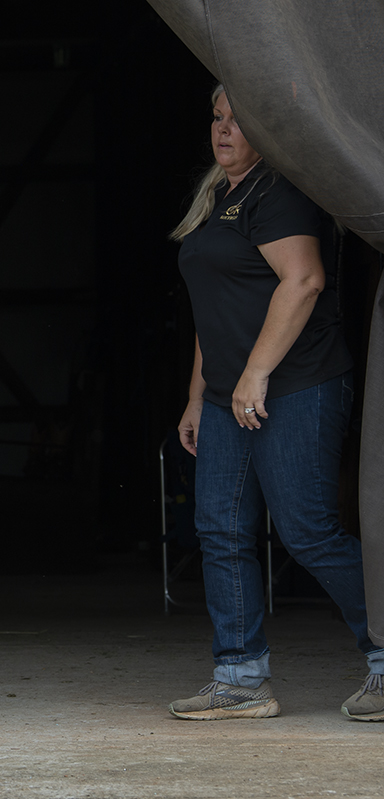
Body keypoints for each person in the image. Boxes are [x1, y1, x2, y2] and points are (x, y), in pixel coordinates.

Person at [168, 84, 384, 721]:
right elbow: (216, 312)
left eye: (239, 119)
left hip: (297, 384)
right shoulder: (218, 198)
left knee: (308, 531)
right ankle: (239, 677)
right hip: (227, 392)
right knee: (220, 529)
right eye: (217, 116)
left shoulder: (279, 190)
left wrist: (256, 374)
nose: (224, 129)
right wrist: (195, 395)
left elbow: (305, 279)